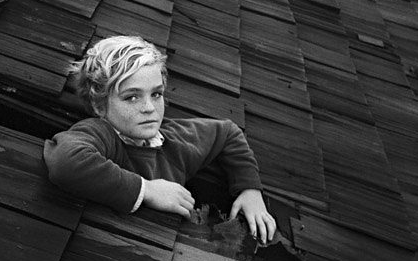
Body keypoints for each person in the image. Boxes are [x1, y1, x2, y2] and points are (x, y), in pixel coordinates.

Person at [44, 35, 277, 245]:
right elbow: (65, 162)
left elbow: (228, 133)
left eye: (156, 94)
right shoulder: (101, 134)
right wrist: (147, 190)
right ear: (99, 104)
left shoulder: (174, 141)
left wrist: (249, 190)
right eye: (132, 97)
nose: (149, 108)